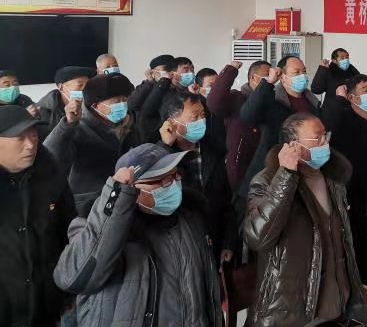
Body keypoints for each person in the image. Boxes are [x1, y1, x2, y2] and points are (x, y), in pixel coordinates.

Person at [54, 143, 223, 326]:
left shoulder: (190, 217)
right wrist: (116, 199)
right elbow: (74, 279)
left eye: (175, 175)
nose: (173, 184)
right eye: (161, 179)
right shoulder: (92, 223)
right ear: (133, 187)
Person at [244, 113, 367, 327]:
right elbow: (257, 236)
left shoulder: (332, 179)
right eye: (317, 138)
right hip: (291, 311)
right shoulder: (267, 180)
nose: (325, 143)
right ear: (293, 145)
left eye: (325, 136)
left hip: (335, 305)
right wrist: (285, 175)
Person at [0, 105, 76, 327]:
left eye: (33, 135)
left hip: (46, 307)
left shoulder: (51, 174)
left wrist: (67, 290)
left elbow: (68, 233)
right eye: (20, 138)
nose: (31, 144)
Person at [326, 74, 367, 286]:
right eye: (365, 90)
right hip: (348, 204)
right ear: (352, 97)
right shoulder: (341, 124)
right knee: (347, 257)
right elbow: (331, 168)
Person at [44, 73, 141, 215]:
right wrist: (67, 125)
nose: (123, 105)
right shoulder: (78, 128)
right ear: (96, 105)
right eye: (117, 101)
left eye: (125, 99)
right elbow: (50, 157)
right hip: (91, 205)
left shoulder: (129, 124)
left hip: (126, 197)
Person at [158, 91, 236, 265]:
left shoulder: (213, 150)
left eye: (203, 115)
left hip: (214, 239)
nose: (201, 121)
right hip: (181, 249)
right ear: (172, 122)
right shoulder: (160, 155)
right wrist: (165, 147)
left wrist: (229, 241)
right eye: (195, 117)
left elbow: (226, 201)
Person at [238, 55, 321, 203]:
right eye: (296, 72)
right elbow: (247, 115)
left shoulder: (312, 102)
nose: (302, 76)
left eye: (304, 71)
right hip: (272, 174)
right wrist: (268, 83)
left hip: (305, 173)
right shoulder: (272, 99)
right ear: (282, 77)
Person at [206, 59, 271, 190]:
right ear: (253, 77)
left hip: (266, 166)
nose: (272, 80)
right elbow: (214, 103)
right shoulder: (237, 98)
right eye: (267, 76)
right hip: (239, 167)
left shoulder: (272, 100)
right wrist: (230, 70)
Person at [137, 56, 196, 141]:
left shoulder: (189, 90)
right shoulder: (162, 89)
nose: (191, 73)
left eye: (192, 70)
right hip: (160, 140)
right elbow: (146, 113)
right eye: (186, 70)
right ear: (172, 74)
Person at [36, 66, 95, 138]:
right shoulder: (41, 110)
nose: (85, 89)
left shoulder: (94, 105)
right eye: (80, 85)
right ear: (61, 87)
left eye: (88, 85)